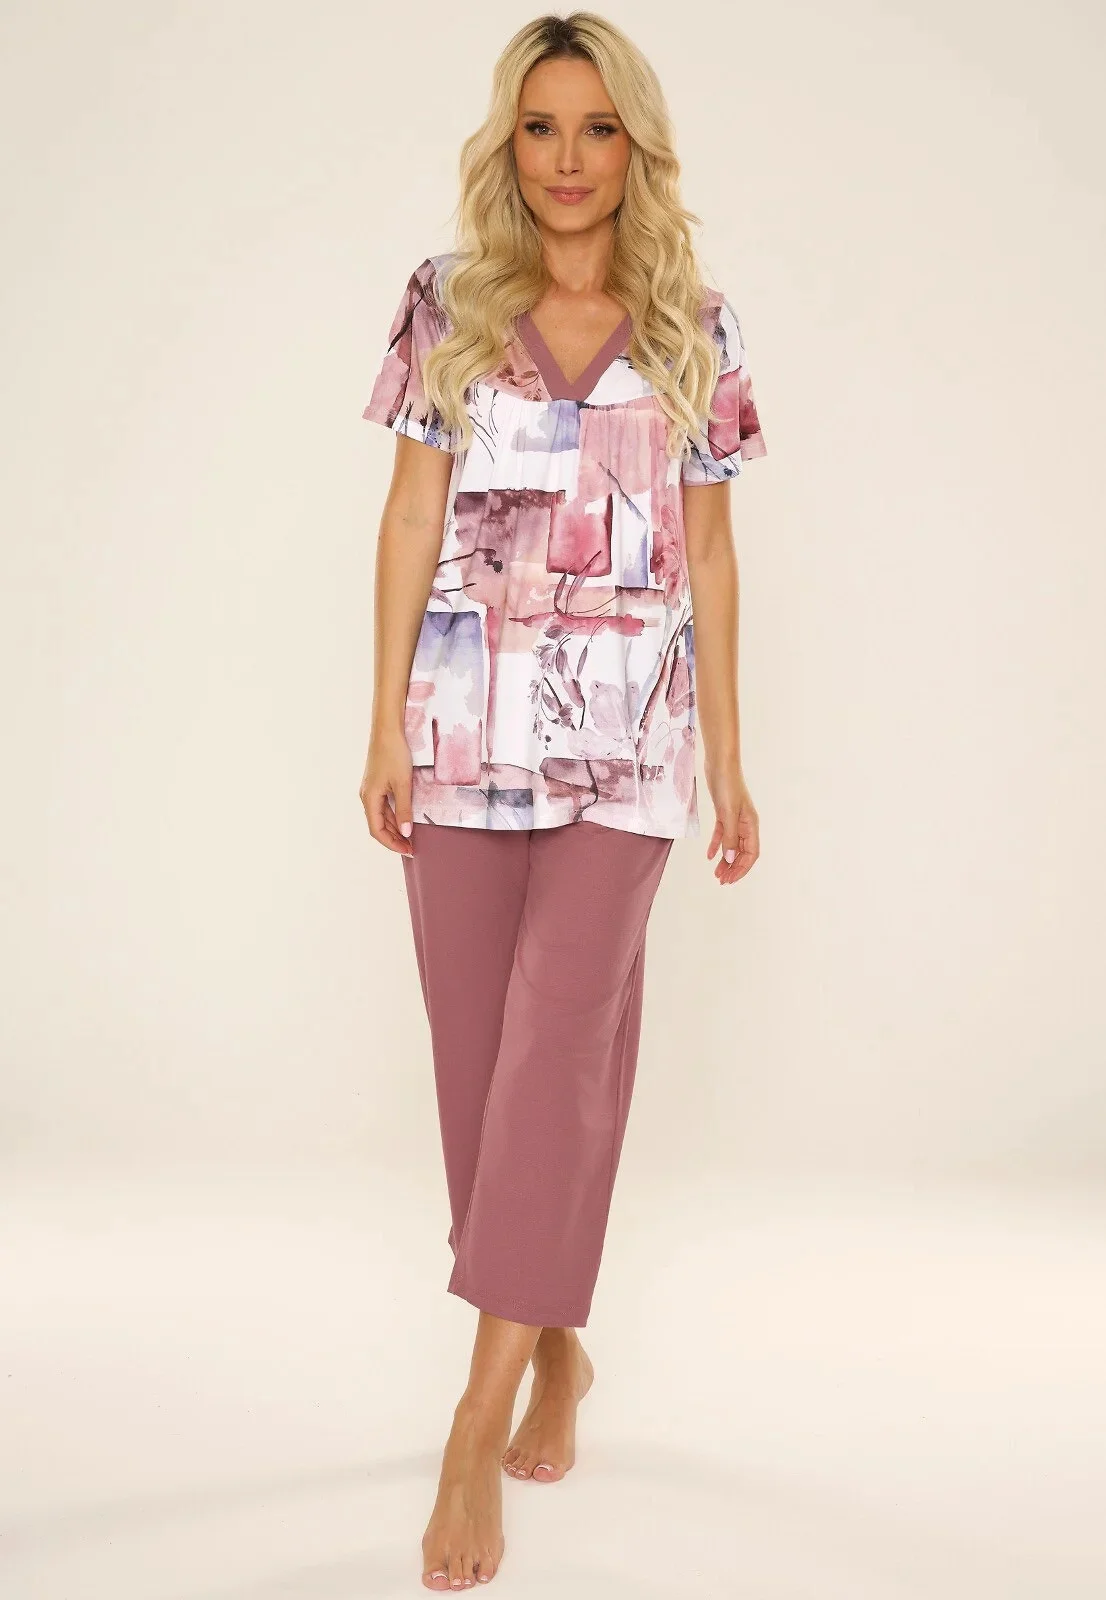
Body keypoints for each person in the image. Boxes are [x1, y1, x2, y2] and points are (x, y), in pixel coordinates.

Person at [358, 11, 767, 1590]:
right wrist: (380, 725)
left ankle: (475, 1417)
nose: (569, 158)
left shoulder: (695, 327)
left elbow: (710, 552)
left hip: (627, 749)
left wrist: (728, 758)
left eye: (598, 127)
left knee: (554, 1054)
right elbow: (409, 520)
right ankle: (556, 1347)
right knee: (479, 1071)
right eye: (540, 127)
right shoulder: (443, 303)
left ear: (634, 146)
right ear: (507, 144)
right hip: (459, 732)